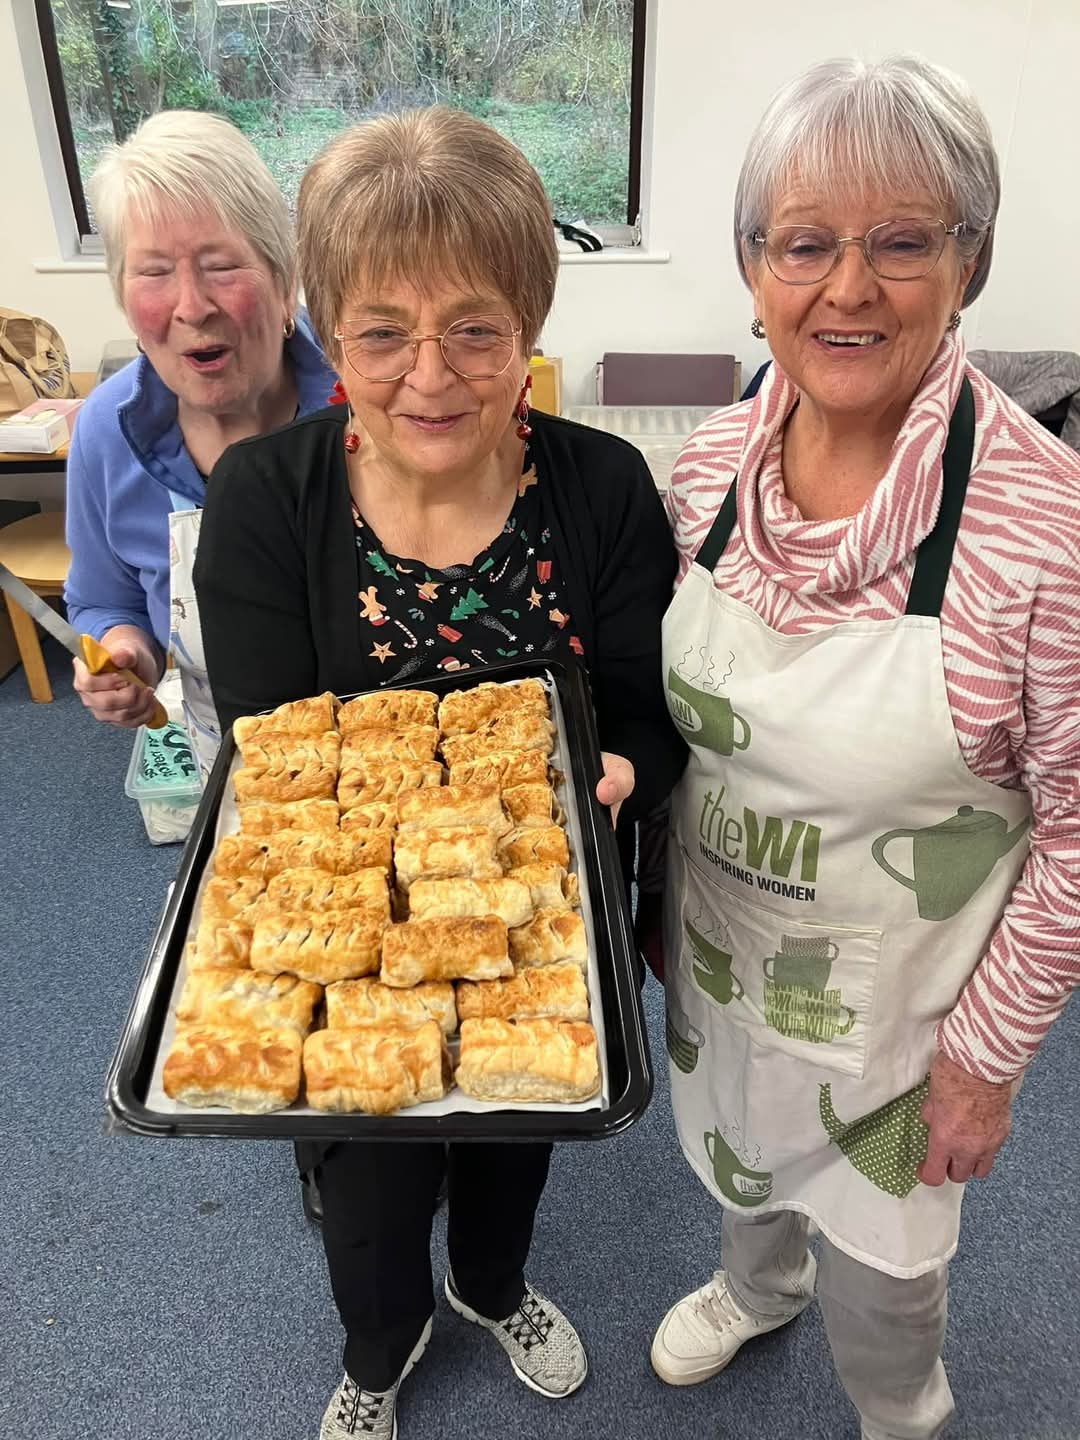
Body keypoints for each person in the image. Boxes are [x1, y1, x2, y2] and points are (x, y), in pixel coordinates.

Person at [193, 107, 686, 1440]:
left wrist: (624, 776)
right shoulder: (263, 500)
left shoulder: (606, 491)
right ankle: (378, 1342)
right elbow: (271, 751)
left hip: (540, 923)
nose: (431, 373)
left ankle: (490, 1283)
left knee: (517, 1133)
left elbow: (646, 709)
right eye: (382, 331)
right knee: (363, 1177)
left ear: (527, 322)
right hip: (346, 958)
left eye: (475, 327)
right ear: (330, 335)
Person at [647, 54, 1080, 1440]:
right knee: (737, 1164)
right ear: (753, 266)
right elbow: (668, 726)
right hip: (721, 951)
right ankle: (754, 1286)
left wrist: (984, 1064)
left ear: (971, 261)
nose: (849, 287)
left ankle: (901, 1408)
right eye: (805, 243)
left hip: (905, 1027)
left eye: (903, 242)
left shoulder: (1042, 531)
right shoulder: (706, 468)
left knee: (888, 1276)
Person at [64, 109, 335, 778]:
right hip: (231, 767)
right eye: (153, 272)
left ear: (283, 283)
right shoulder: (106, 432)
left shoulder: (362, 397)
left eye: (220, 267)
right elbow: (104, 598)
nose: (190, 305)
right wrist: (127, 653)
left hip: (387, 757)